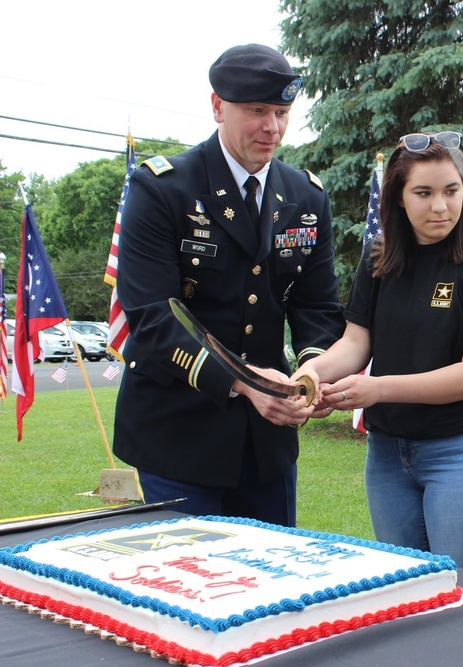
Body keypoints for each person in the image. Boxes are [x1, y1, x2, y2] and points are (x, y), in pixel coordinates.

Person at [113, 44, 346, 527]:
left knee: (270, 589)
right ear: (218, 106)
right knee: (186, 589)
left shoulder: (305, 196)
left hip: (267, 444)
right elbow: (154, 319)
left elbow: (317, 308)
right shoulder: (162, 189)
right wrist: (249, 382)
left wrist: (309, 377)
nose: (273, 128)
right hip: (177, 435)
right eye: (257, 111)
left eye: (282, 112)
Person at [293, 132, 463, 574]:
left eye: (452, 190)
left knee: (458, 594)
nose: (440, 206)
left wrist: (377, 389)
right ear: (399, 198)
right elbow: (355, 343)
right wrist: (307, 376)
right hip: (388, 454)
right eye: (423, 193)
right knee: (404, 592)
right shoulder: (379, 259)